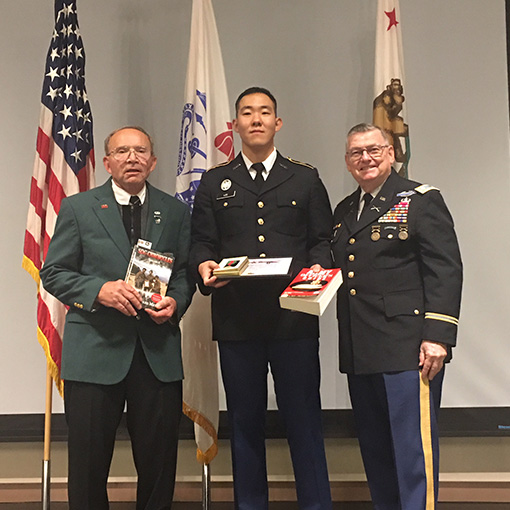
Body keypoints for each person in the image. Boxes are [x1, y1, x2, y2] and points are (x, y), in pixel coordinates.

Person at [190, 87, 333, 510]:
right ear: (234, 123)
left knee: (305, 423)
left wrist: (317, 275)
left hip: (294, 321)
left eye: (265, 112)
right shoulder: (216, 180)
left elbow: (321, 240)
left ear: (278, 122)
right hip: (237, 322)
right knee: (246, 426)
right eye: (247, 113)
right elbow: (201, 241)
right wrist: (203, 266)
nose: (256, 119)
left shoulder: (304, 177)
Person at [40, 126, 195, 510]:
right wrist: (98, 291)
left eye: (140, 151)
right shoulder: (79, 208)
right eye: (122, 151)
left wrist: (175, 302)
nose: (132, 158)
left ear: (153, 161)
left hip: (156, 354)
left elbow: (184, 274)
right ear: (107, 162)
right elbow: (55, 273)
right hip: (95, 354)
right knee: (88, 467)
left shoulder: (174, 211)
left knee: (159, 466)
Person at [331, 123, 462, 510]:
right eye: (356, 153)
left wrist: (438, 336)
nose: (365, 159)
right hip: (361, 348)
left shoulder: (420, 200)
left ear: (391, 153)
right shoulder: (343, 211)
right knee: (376, 451)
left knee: (412, 453)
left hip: (408, 349)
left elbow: (445, 269)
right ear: (347, 161)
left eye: (373, 150)